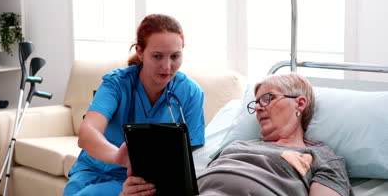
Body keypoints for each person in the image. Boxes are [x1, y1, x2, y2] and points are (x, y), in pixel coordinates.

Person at [119, 73, 353, 196]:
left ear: (299, 104)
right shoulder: (235, 145)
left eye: (268, 99)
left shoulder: (321, 156)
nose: (259, 108)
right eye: (256, 103)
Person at [63, 14, 206, 196]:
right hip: (92, 169)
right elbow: (87, 133)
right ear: (140, 51)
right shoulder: (116, 84)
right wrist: (119, 157)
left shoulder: (190, 93)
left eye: (175, 56)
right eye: (157, 56)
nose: (167, 66)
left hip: (140, 178)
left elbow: (192, 152)